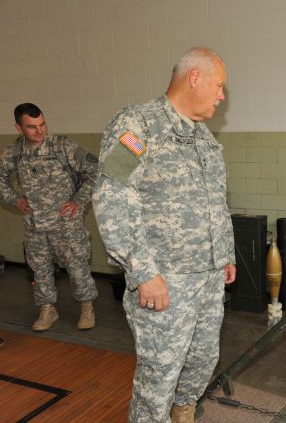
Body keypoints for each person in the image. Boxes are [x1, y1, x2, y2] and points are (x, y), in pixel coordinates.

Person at [93, 47, 236, 422]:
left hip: (208, 276)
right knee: (160, 375)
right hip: (164, 279)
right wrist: (142, 272)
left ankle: (184, 412)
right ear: (195, 78)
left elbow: (216, 201)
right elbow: (113, 196)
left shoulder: (203, 137)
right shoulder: (138, 125)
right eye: (219, 86)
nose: (222, 96)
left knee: (203, 359)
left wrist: (225, 254)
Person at [0, 103, 99, 332]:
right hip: (34, 224)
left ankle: (87, 307)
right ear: (19, 127)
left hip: (66, 223)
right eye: (32, 127)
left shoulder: (63, 146)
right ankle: (47, 309)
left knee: (77, 265)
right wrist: (14, 199)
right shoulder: (15, 151)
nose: (39, 131)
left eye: (42, 124)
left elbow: (96, 172)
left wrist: (78, 201)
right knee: (40, 268)